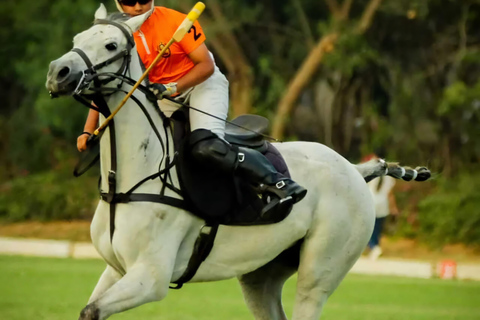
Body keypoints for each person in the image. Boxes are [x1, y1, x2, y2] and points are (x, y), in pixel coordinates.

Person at [77, 0, 307, 210]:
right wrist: (88, 129)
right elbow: (106, 87)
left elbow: (205, 66)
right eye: (129, 1)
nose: (137, 7)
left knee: (206, 146)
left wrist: (173, 88)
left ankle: (277, 183)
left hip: (201, 84)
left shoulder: (176, 21)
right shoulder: (114, 37)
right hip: (162, 95)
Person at [363, 154, 399, 260]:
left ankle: (374, 247)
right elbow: (390, 194)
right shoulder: (389, 174)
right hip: (383, 204)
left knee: (368, 228)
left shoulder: (370, 170)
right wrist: (393, 208)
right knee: (377, 229)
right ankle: (376, 248)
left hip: (371, 202)